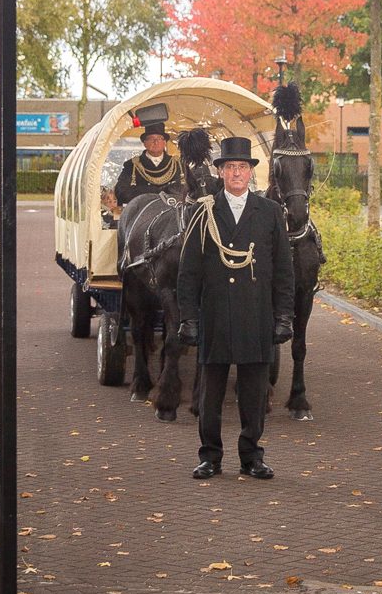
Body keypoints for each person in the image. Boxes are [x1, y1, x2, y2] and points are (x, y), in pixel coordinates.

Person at [177, 136, 295, 480]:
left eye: (243, 167)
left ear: (250, 173)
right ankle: (210, 456)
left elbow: (283, 272)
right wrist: (189, 318)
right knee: (210, 392)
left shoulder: (270, 212)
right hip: (215, 312)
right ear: (221, 172)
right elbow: (189, 271)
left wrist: (283, 316)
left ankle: (251, 456)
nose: (237, 173)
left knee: (254, 392)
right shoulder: (204, 210)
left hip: (255, 313)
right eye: (230, 167)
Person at [114, 122, 184, 205]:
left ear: (164, 142)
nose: (156, 142)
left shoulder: (178, 164)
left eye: (159, 138)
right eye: (151, 139)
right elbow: (121, 192)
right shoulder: (132, 166)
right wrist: (155, 191)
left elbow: (189, 190)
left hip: (173, 212)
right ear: (144, 143)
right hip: (142, 211)